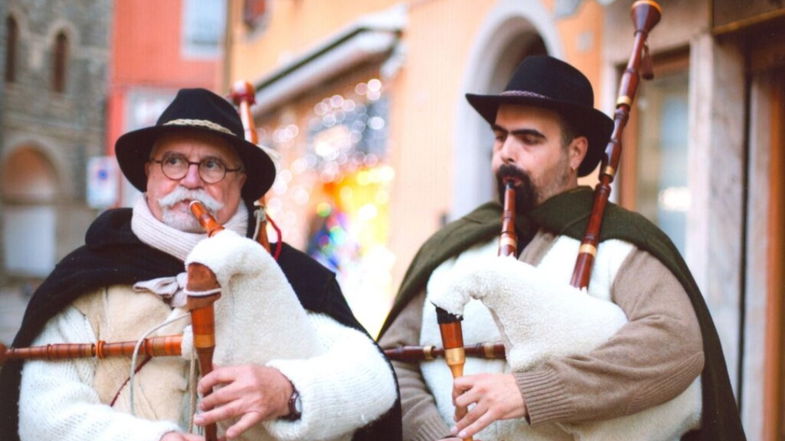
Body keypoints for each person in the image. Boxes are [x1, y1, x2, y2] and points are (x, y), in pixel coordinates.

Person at [378, 55, 745, 441]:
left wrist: (530, 391)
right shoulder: (454, 244)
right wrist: (436, 436)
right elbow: (393, 358)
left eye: (529, 139)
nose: (507, 152)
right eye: (500, 136)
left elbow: (673, 346)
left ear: (576, 153)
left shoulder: (621, 245)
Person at [0, 88, 400, 441]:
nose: (190, 180)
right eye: (173, 161)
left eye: (212, 165)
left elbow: (372, 378)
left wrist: (287, 390)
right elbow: (45, 415)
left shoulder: (281, 271)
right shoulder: (89, 272)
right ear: (149, 174)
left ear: (241, 181)